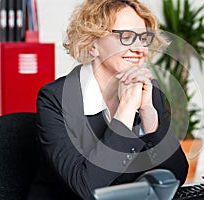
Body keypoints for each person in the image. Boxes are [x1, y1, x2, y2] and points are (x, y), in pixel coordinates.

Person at [27, 0, 188, 199]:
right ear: (92, 44)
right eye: (127, 36)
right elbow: (87, 188)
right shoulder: (55, 100)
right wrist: (126, 111)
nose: (140, 49)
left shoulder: (150, 92)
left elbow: (177, 175)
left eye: (143, 38)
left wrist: (149, 117)